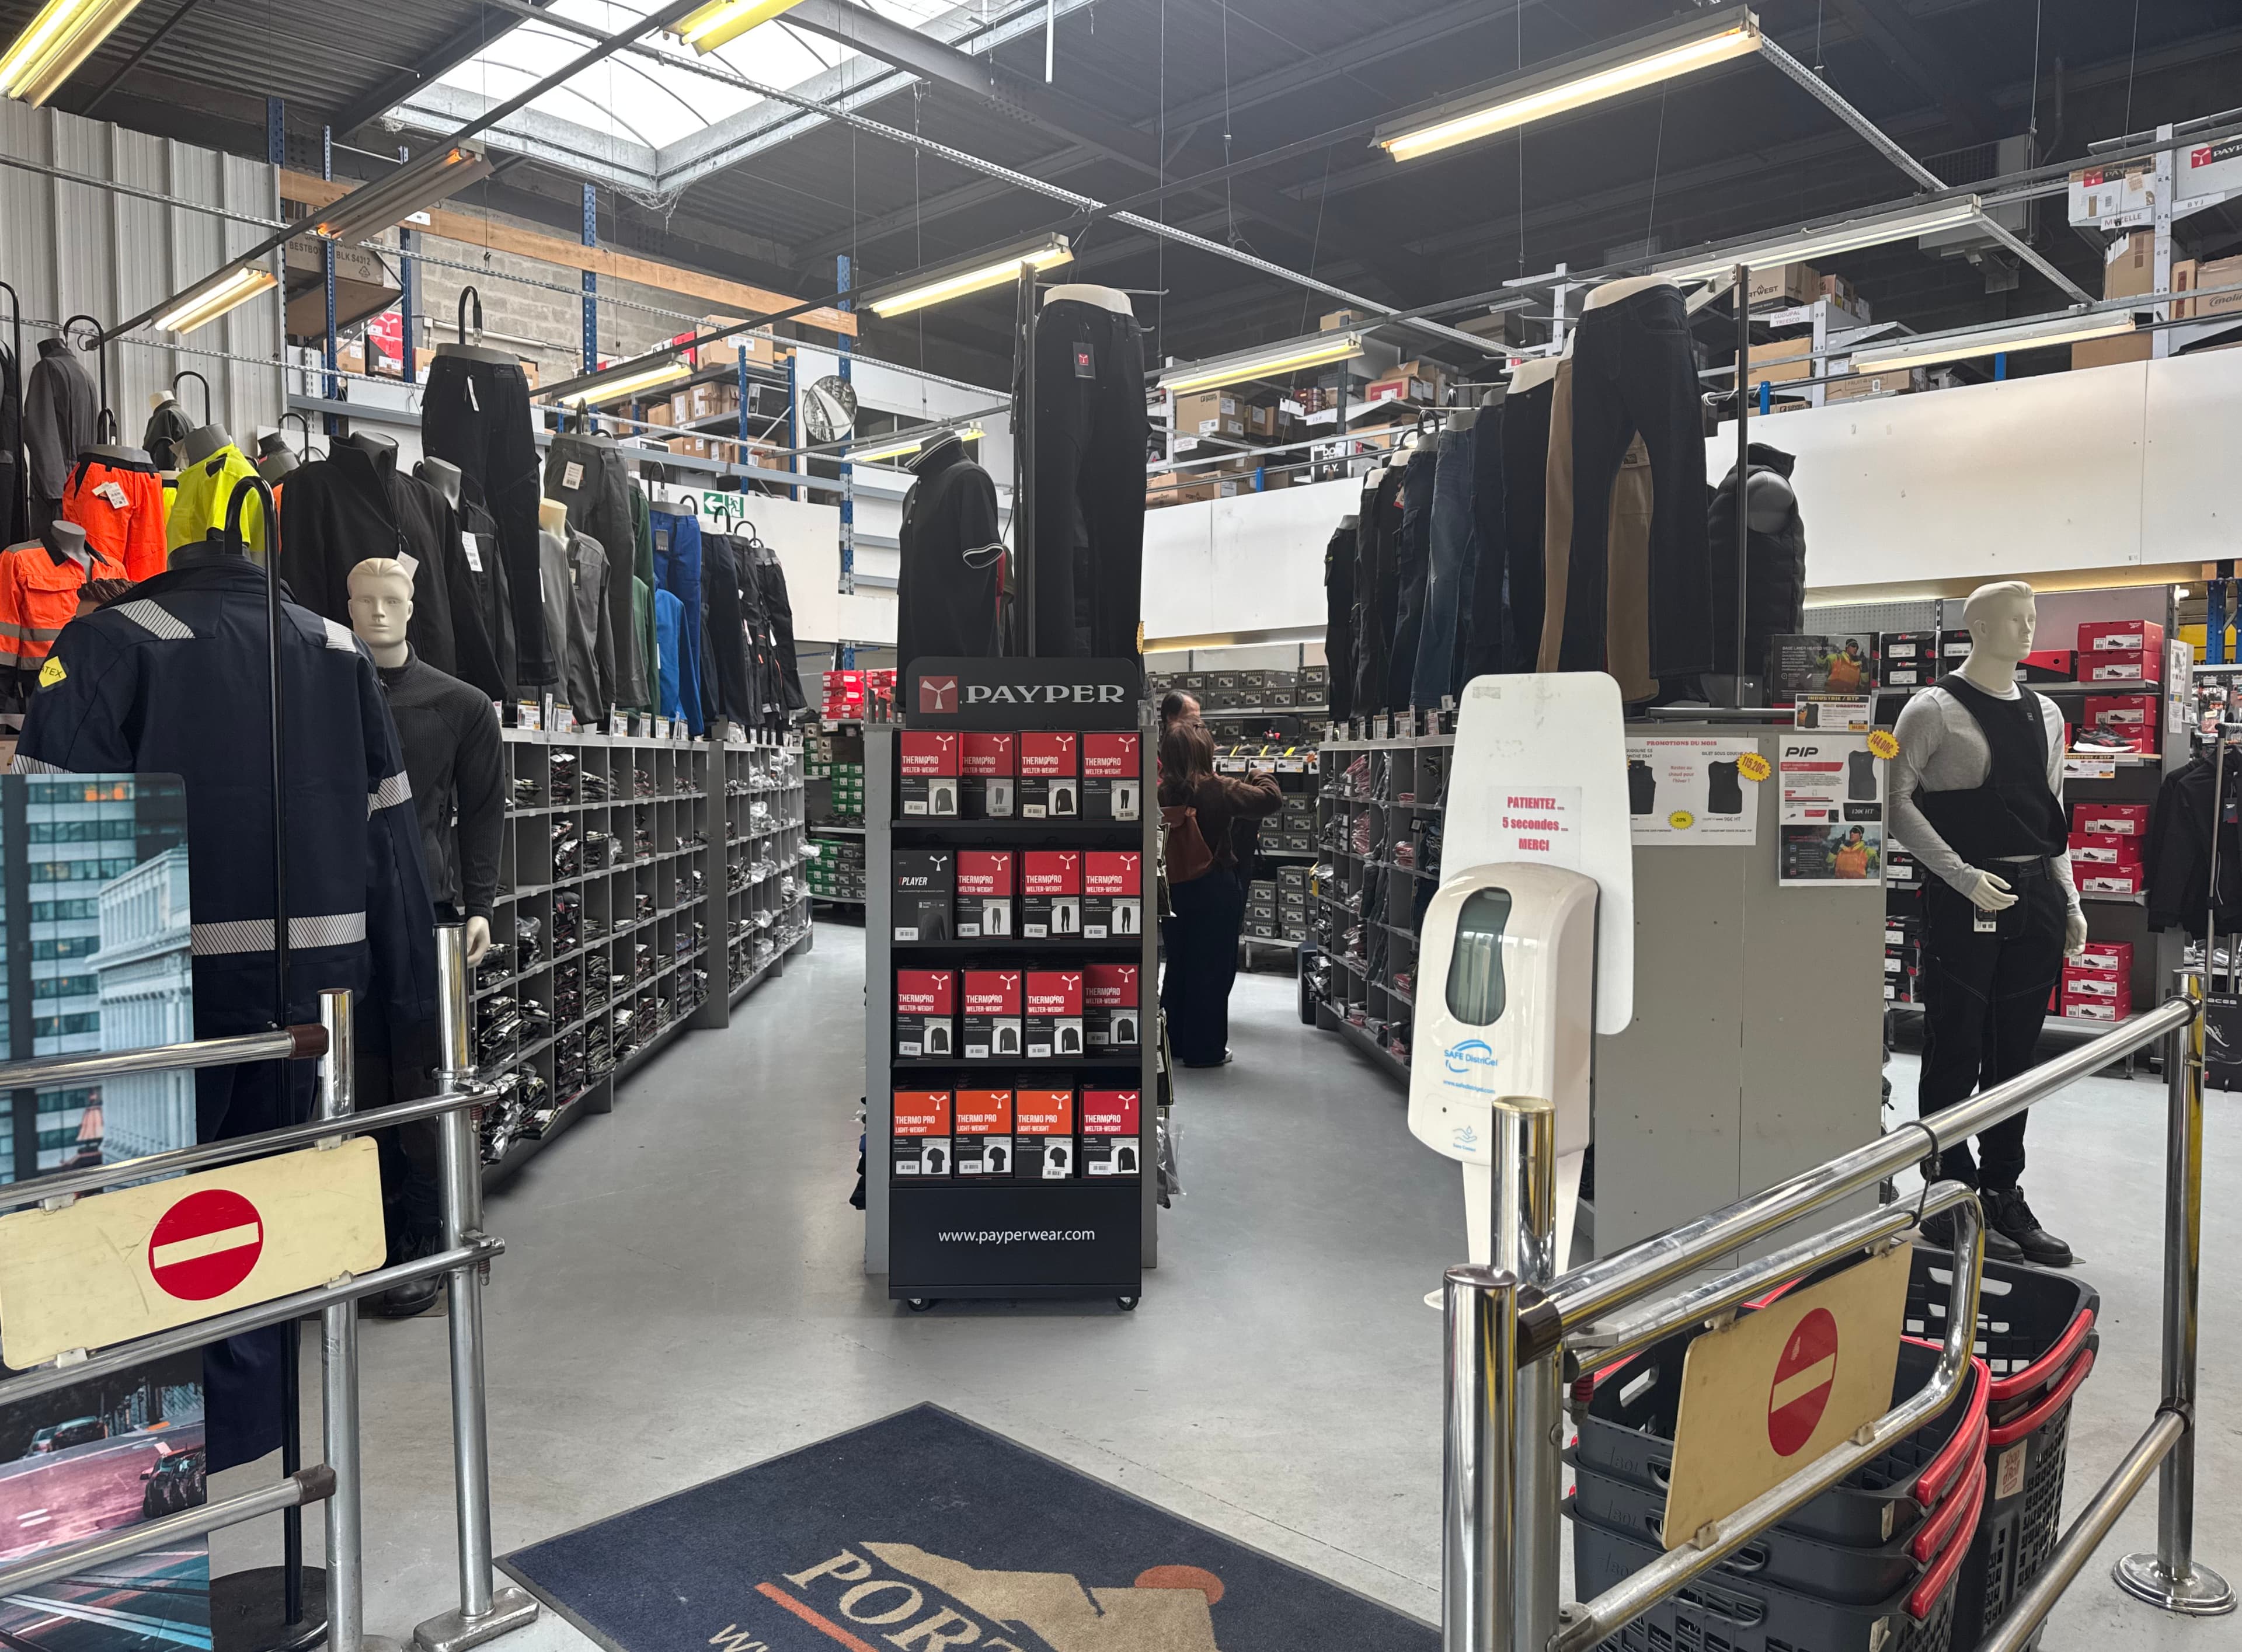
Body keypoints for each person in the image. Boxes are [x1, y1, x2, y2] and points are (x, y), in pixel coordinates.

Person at [1158, 719, 1282, 1067]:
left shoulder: (1159, 793)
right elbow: (1270, 800)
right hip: (1214, 887)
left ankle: (1173, 1041)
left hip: (1172, 889)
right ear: (1204, 752)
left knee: (1179, 964)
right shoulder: (1219, 789)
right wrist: (1260, 774)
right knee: (1212, 969)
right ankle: (1205, 1050)